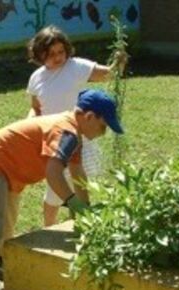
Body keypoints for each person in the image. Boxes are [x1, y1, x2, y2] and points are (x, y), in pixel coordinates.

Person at [0, 89, 123, 290]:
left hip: (10, 171)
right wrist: (72, 203)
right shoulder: (66, 132)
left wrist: (85, 210)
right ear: (89, 117)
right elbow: (53, 172)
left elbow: (78, 173)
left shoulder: (74, 134)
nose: (103, 132)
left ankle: (2, 267)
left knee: (6, 224)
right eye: (103, 126)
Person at [26, 25, 127, 226]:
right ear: (39, 54)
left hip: (80, 137)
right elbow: (36, 108)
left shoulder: (75, 67)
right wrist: (30, 123)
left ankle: (78, 226)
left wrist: (119, 62)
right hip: (54, 141)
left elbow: (108, 74)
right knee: (54, 191)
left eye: (61, 51)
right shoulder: (37, 77)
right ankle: (49, 229)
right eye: (50, 53)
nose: (57, 57)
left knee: (80, 185)